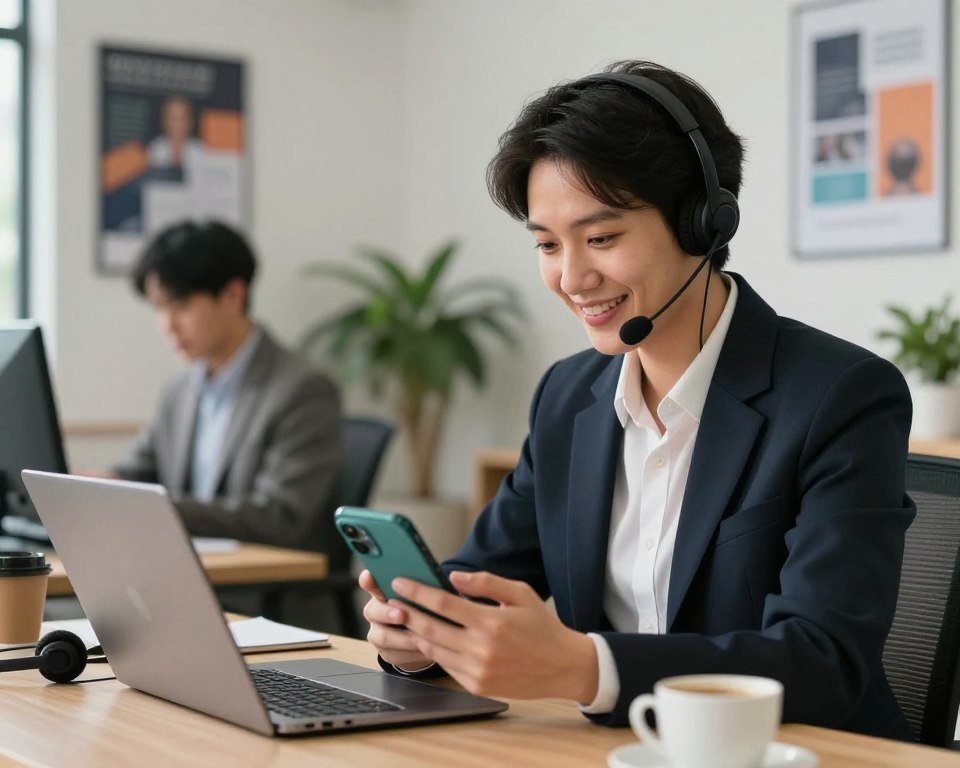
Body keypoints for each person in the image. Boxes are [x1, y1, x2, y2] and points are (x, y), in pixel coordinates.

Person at [359, 60, 915, 739]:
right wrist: (418, 634)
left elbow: (823, 661)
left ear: (703, 222)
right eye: (546, 244)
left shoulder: (840, 396)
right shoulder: (568, 396)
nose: (571, 277)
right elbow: (479, 577)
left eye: (601, 238)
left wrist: (587, 668)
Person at [108, 220, 343, 555]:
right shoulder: (180, 390)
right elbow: (139, 469)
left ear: (234, 295)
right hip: (186, 573)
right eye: (159, 308)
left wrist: (159, 508)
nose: (167, 326)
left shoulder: (303, 389)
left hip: (265, 591)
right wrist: (101, 484)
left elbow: (280, 517)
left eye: (181, 306)